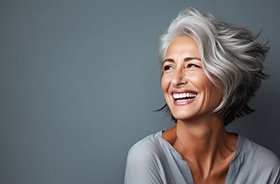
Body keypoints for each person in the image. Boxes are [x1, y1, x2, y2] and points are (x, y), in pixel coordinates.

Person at [124, 7, 280, 184]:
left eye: (192, 65)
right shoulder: (147, 157)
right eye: (168, 67)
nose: (175, 80)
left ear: (226, 77)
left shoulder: (265, 167)